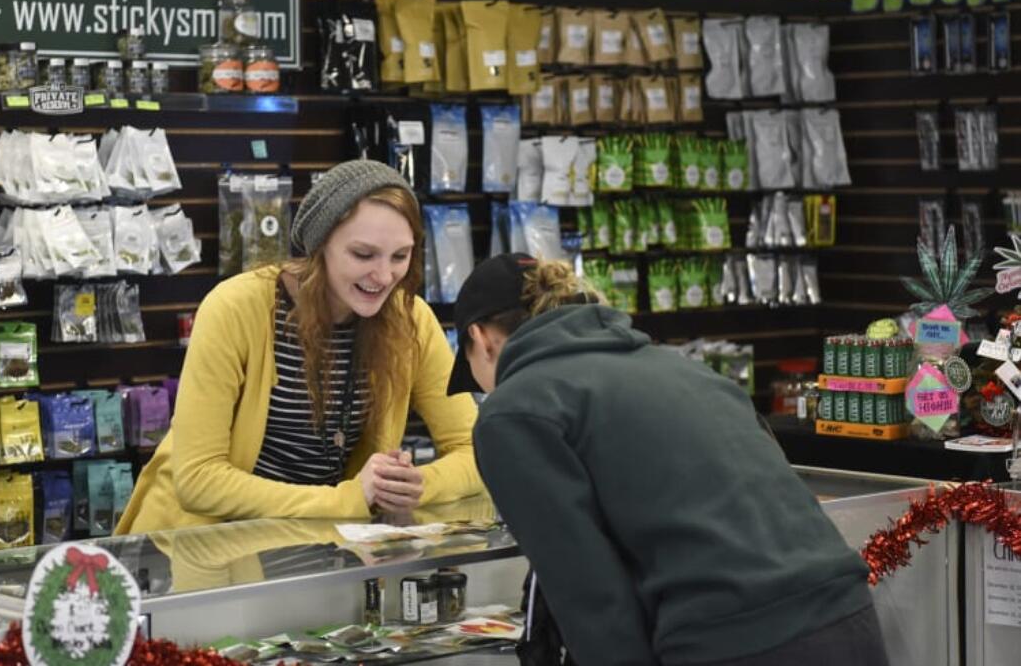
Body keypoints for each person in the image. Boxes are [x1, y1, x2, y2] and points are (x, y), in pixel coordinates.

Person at [451, 253, 890, 666]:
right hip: (847, 618)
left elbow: (588, 591)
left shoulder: (514, 410)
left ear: (480, 339)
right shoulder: (683, 369)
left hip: (735, 641)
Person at [118, 160, 483, 534]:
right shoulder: (235, 308)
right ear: (319, 244)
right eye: (362, 254)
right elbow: (198, 480)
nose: (384, 276)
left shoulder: (410, 320)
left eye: (400, 256)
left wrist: (418, 486)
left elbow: (477, 451)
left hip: (315, 548)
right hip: (199, 546)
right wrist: (346, 500)